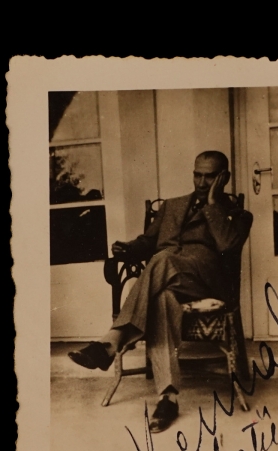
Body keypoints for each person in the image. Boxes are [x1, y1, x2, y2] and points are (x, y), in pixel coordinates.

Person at [68, 151, 253, 432]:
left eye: (210, 176)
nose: (201, 182)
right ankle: (168, 397)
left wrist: (213, 204)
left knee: (163, 258)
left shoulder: (238, 215)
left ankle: (112, 342)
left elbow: (228, 245)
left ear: (224, 177)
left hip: (205, 284)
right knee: (163, 299)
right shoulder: (172, 206)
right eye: (197, 174)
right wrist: (129, 248)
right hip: (167, 281)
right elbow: (148, 241)